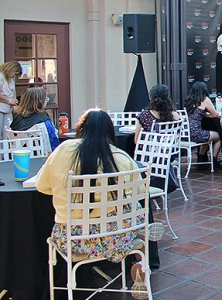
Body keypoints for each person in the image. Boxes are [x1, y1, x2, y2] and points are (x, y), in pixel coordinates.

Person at [35, 109, 147, 266]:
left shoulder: (63, 150)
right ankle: (142, 262)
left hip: (71, 240)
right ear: (109, 131)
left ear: (81, 129)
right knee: (134, 207)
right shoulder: (120, 158)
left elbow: (42, 186)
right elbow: (140, 192)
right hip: (114, 239)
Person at [9, 87, 60, 151]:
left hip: (20, 155)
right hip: (40, 156)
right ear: (40, 101)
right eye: (46, 99)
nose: (47, 100)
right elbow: (53, 143)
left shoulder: (18, 118)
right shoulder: (44, 121)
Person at [184, 81, 222, 165]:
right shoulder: (204, 99)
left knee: (208, 135)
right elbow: (215, 115)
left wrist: (203, 114)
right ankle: (214, 160)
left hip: (187, 134)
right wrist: (205, 115)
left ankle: (201, 159)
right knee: (219, 136)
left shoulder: (189, 101)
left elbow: (195, 114)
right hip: (197, 133)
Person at [0, 61, 21, 139]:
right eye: (15, 73)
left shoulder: (11, 79)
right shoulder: (1, 77)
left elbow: (13, 91)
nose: (14, 76)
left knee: (7, 132)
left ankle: (6, 149)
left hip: (8, 109)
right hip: (1, 107)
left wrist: (14, 103)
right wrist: (9, 101)